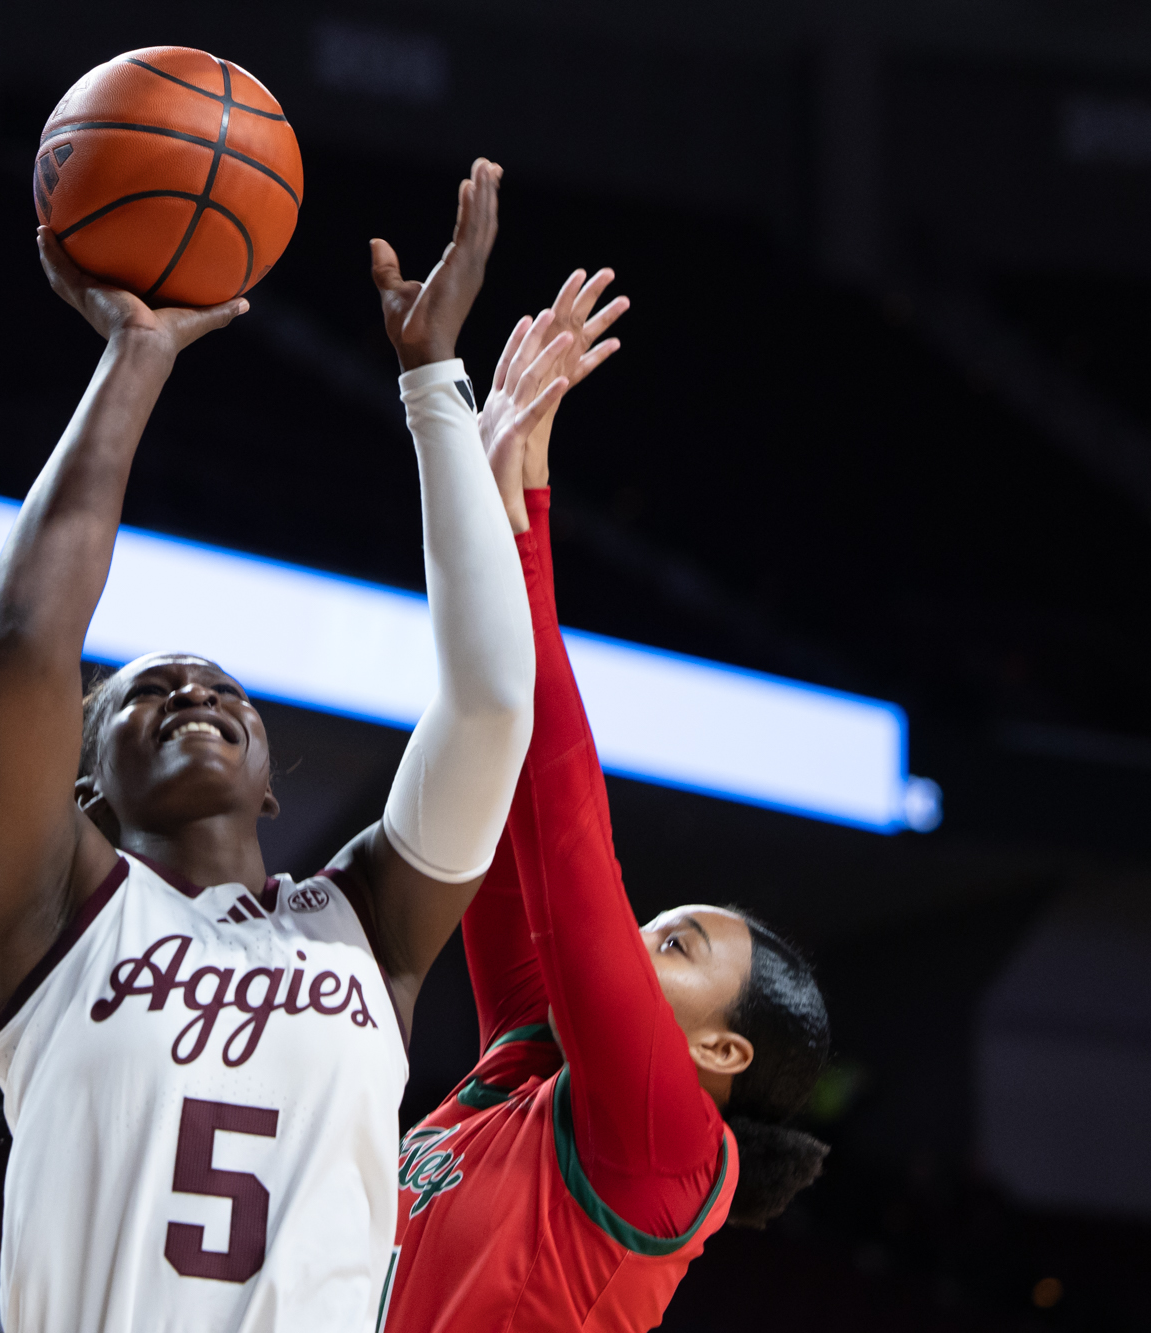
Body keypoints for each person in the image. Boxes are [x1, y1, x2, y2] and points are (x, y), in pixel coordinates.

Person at [0, 158, 569, 1332]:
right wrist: (133, 360)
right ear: (85, 787)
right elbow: (27, 640)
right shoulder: (54, 910)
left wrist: (431, 384)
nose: (193, 689)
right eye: (145, 695)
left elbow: (494, 701)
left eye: (220, 687)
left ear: (271, 780)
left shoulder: (367, 925)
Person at [379, 271, 834, 1332]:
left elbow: (575, 845)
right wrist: (489, 488)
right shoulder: (531, 1067)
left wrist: (526, 517)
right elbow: (499, 747)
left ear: (720, 1054)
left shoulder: (669, 1147)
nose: (635, 937)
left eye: (674, 947)